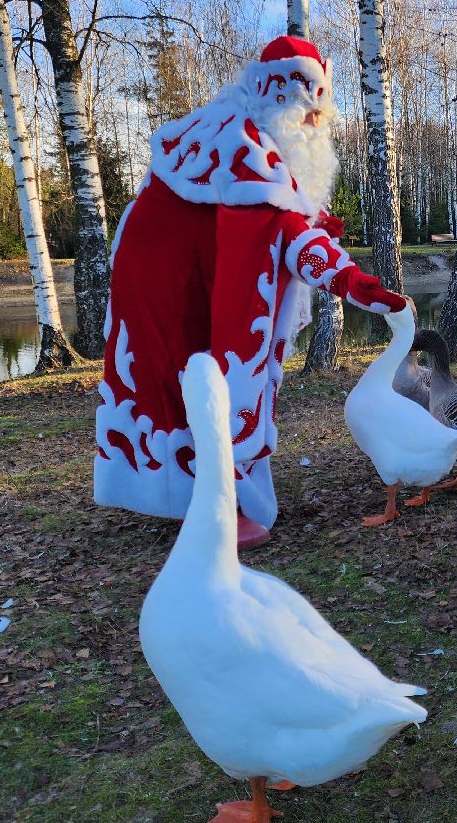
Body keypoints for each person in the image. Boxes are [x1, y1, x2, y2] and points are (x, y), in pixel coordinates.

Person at [94, 36, 405, 548]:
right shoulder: (248, 156)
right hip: (175, 280)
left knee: (177, 378)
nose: (314, 127)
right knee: (218, 378)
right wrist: (357, 283)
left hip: (161, 273)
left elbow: (276, 225)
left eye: (319, 116)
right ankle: (217, 502)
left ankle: (188, 494)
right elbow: (287, 237)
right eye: (309, 115)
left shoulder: (217, 131)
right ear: (282, 100)